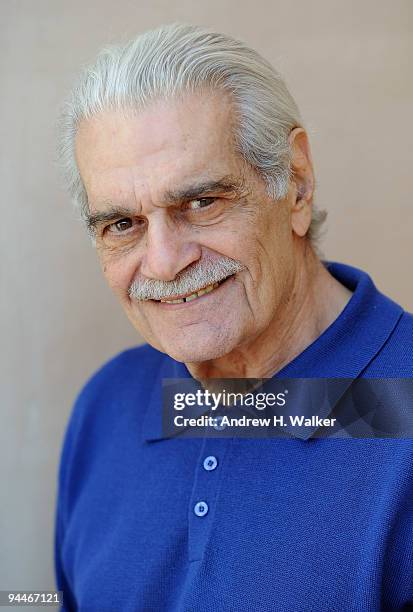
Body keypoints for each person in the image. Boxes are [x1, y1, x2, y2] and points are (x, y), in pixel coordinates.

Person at [55, 23, 413, 611]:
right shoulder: (106, 407)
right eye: (123, 224)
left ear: (295, 185)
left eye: (201, 202)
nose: (165, 263)